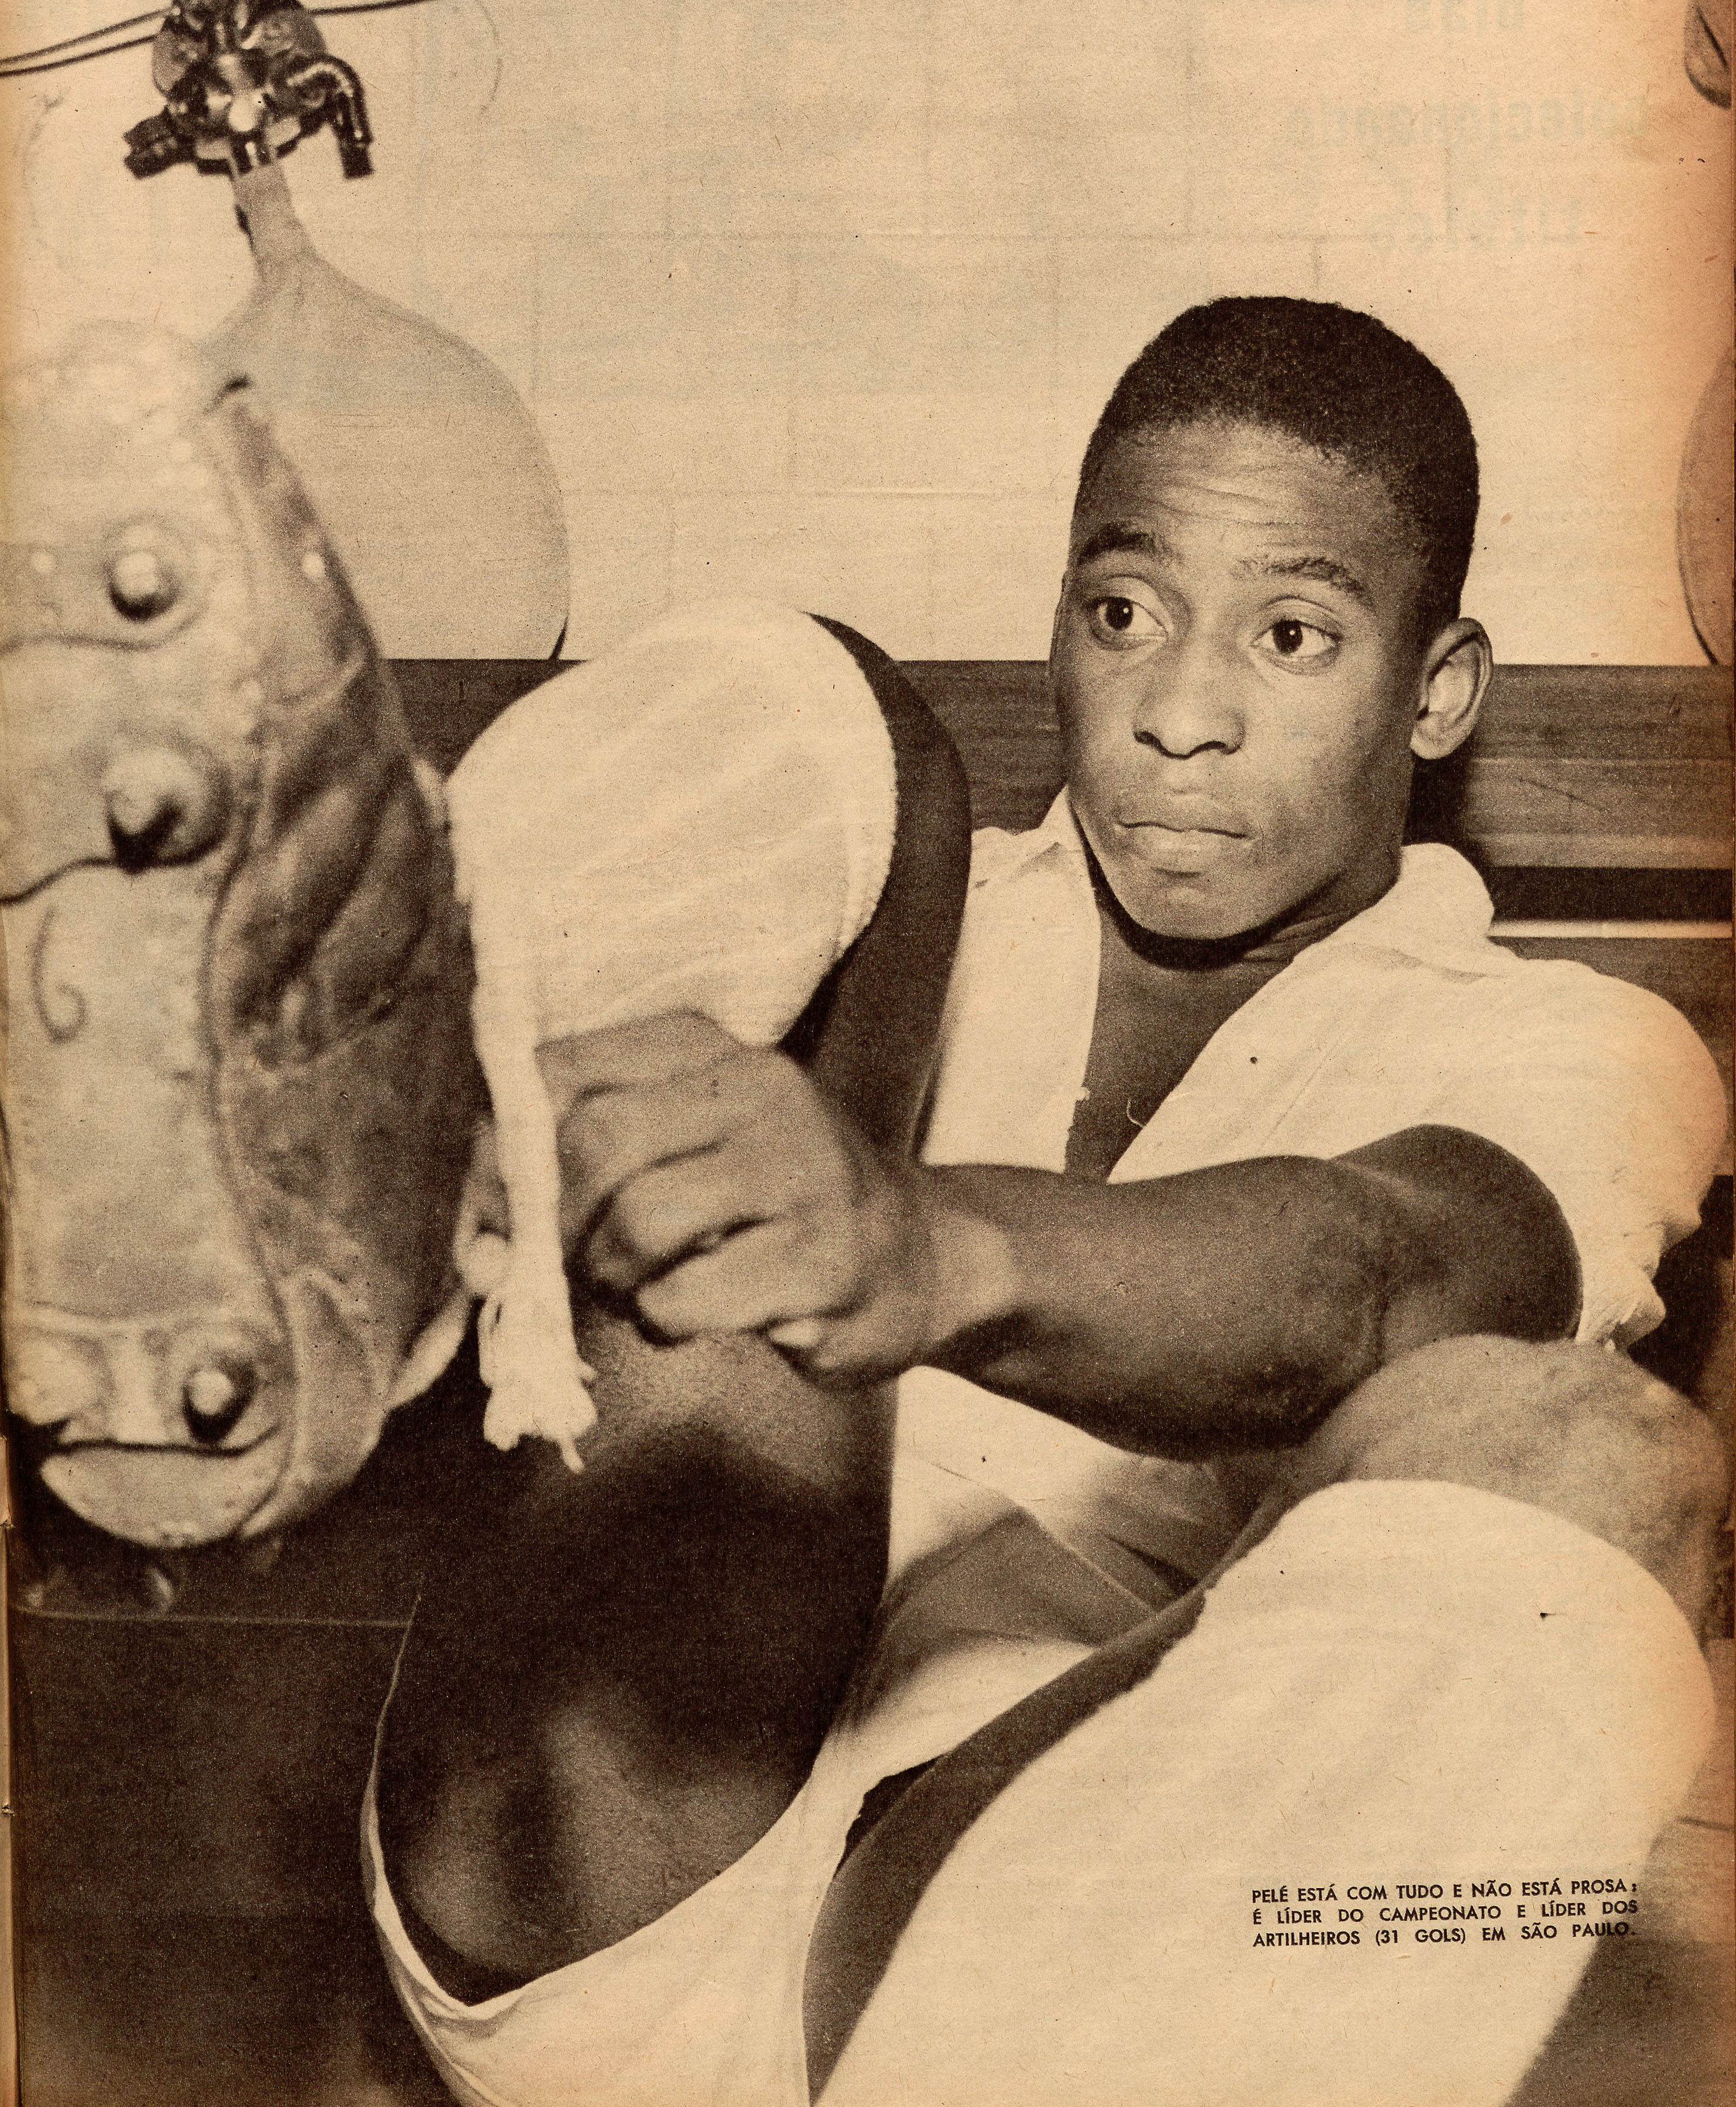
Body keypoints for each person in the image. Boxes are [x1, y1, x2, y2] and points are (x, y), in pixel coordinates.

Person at [369, 299, 1728, 2107]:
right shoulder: (884, 901)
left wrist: (932, 1248)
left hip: (1026, 1940)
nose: (1178, 716)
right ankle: (340, 1083)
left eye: (1292, 636)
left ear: (1438, 691)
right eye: (1123, 614)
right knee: (823, 698)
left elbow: (1391, 1267)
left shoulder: (1572, 1046)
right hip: (612, 1804)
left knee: (1591, 1450)